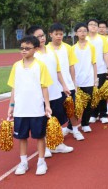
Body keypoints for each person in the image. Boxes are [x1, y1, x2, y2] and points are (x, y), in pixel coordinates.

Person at [7, 35, 52, 176]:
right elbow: (14, 87)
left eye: (27, 48)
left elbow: (44, 87)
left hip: (36, 109)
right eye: (22, 48)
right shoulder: (16, 66)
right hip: (20, 109)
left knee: (40, 136)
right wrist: (11, 105)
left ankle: (41, 161)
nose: (24, 50)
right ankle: (23, 162)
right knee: (22, 137)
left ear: (36, 49)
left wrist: (47, 106)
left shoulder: (41, 66)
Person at [26, 26, 74, 157]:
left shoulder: (51, 51)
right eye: (38, 36)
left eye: (42, 35)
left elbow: (58, 71)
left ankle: (57, 144)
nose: (41, 38)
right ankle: (46, 146)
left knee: (56, 119)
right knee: (43, 121)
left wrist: (64, 86)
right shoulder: (32, 55)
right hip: (40, 95)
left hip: (55, 92)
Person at [47, 23, 85, 141]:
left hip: (68, 85)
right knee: (55, 113)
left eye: (61, 34)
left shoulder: (67, 48)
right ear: (50, 35)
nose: (59, 36)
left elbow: (71, 66)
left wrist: (74, 83)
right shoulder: (46, 49)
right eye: (56, 34)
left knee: (71, 109)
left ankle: (75, 130)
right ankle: (56, 135)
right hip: (53, 87)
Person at [71, 23, 97, 133]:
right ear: (76, 33)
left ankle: (85, 123)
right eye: (80, 31)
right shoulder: (72, 48)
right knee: (76, 105)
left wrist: (95, 79)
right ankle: (71, 126)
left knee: (88, 103)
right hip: (77, 81)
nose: (83, 33)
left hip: (89, 79)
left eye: (84, 31)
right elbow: (71, 66)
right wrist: (73, 81)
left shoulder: (91, 47)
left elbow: (94, 63)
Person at [86, 19, 108, 124]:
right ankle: (93, 114)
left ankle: (103, 114)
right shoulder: (85, 39)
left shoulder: (102, 39)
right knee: (92, 93)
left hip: (100, 69)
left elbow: (105, 54)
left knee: (101, 92)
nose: (93, 26)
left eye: (95, 25)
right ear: (87, 26)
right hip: (88, 71)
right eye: (91, 24)